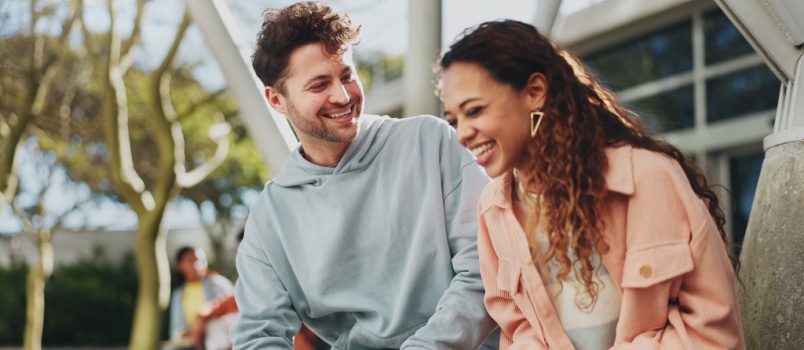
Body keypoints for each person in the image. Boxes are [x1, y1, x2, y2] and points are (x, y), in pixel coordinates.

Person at [437, 20, 745, 349]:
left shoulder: (649, 178)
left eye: (475, 110)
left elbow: (712, 334)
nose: (462, 134)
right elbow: (518, 330)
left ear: (535, 93)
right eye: (454, 120)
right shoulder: (493, 210)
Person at [230, 2, 499, 349]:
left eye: (346, 75)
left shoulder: (431, 142)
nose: (342, 96)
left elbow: (485, 268)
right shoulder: (269, 219)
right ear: (276, 100)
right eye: (318, 85)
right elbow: (257, 336)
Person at [190, 230, 326, 350]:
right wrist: (201, 316)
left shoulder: (299, 274)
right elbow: (225, 303)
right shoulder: (254, 283)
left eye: (247, 255)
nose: (245, 263)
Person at [169, 246, 234, 349]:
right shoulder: (178, 294)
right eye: (191, 261)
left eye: (201, 260)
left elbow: (235, 314)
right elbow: (176, 328)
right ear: (179, 265)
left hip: (222, 342)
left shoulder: (218, 284)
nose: (197, 265)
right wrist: (186, 333)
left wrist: (202, 318)